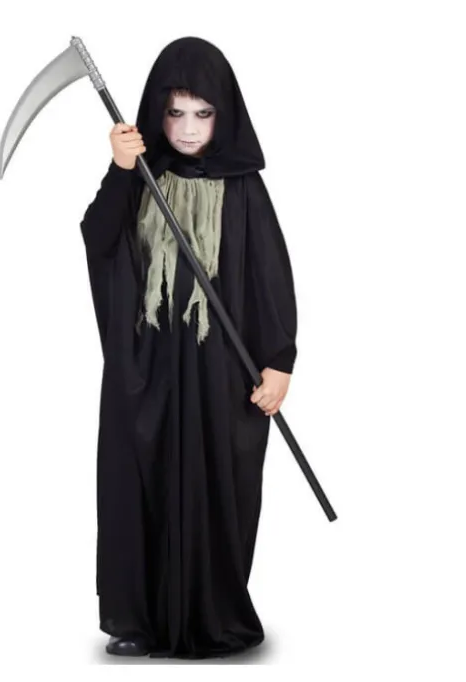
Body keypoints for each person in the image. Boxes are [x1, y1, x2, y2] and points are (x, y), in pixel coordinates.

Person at [79, 36, 297, 659]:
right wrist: (121, 171)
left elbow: (270, 275)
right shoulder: (141, 177)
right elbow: (99, 238)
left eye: (203, 113)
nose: (189, 128)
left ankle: (214, 616)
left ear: (224, 115)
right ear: (156, 112)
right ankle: (136, 619)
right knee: (137, 477)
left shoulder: (243, 187)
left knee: (217, 482)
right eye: (174, 113)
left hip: (219, 368)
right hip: (146, 364)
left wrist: (279, 360)